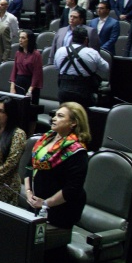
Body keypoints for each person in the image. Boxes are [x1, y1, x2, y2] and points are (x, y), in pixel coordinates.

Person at [24, 103, 89, 250]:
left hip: (59, 211)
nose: (54, 119)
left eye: (60, 116)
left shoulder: (77, 152)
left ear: (73, 123)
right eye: (54, 115)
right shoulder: (45, 139)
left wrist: (46, 203)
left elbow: (72, 189)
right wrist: (28, 193)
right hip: (36, 203)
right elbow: (29, 167)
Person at [53, 26, 108, 109]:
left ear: (72, 38)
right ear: (86, 39)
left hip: (63, 91)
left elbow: (56, 67)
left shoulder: (60, 51)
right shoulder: (92, 53)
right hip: (84, 94)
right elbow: (106, 68)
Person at [10, 30, 44, 103]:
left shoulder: (36, 55)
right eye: (20, 37)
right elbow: (14, 70)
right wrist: (12, 86)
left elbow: (36, 74)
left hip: (30, 84)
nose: (20, 40)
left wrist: (30, 90)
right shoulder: (18, 53)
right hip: (18, 83)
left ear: (29, 40)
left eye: (23, 38)